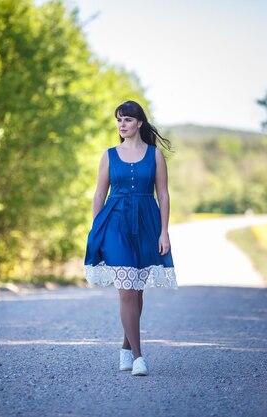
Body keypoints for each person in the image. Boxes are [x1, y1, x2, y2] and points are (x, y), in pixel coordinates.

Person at [84, 100, 178, 376]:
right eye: (118, 120)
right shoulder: (109, 155)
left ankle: (126, 347)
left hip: (146, 222)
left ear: (139, 123)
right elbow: (100, 194)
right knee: (126, 289)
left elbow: (163, 195)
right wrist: (96, 229)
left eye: (126, 120)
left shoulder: (155, 156)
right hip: (115, 223)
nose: (121, 125)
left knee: (136, 290)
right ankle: (138, 356)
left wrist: (164, 231)